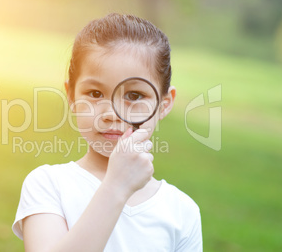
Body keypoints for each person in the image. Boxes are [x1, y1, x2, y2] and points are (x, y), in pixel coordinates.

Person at [12, 13, 202, 251]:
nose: (112, 113)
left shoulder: (182, 211)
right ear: (71, 96)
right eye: (95, 94)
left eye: (134, 96)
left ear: (163, 105)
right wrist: (116, 186)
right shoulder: (49, 185)